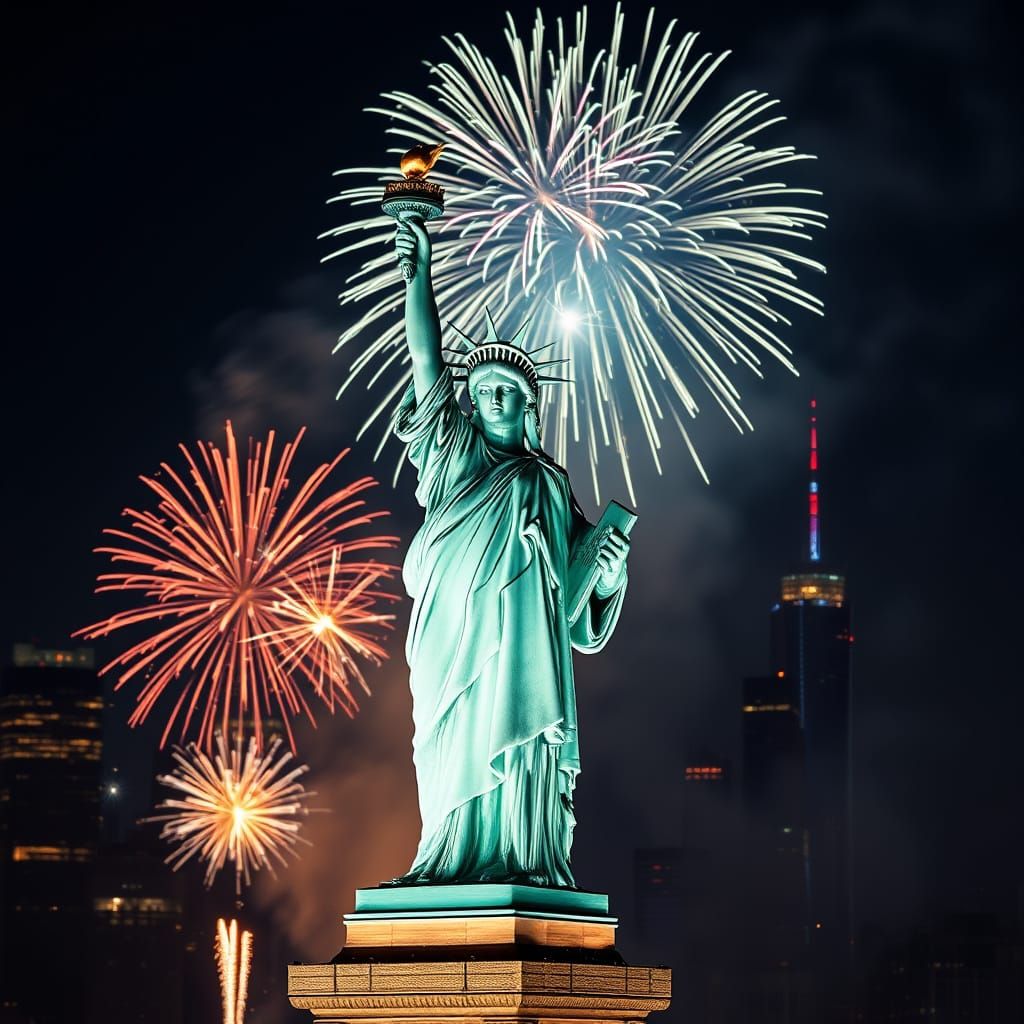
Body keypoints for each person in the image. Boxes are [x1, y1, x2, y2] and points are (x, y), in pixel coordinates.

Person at [390, 214, 630, 888]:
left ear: (528, 405)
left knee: (519, 738)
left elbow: (580, 606)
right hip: (452, 639)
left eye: (508, 392)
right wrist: (419, 274)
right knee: (449, 751)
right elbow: (425, 361)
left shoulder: (549, 483)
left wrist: (609, 575)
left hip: (523, 652)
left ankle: (518, 854)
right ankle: (451, 854)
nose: (492, 398)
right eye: (484, 390)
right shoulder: (455, 455)